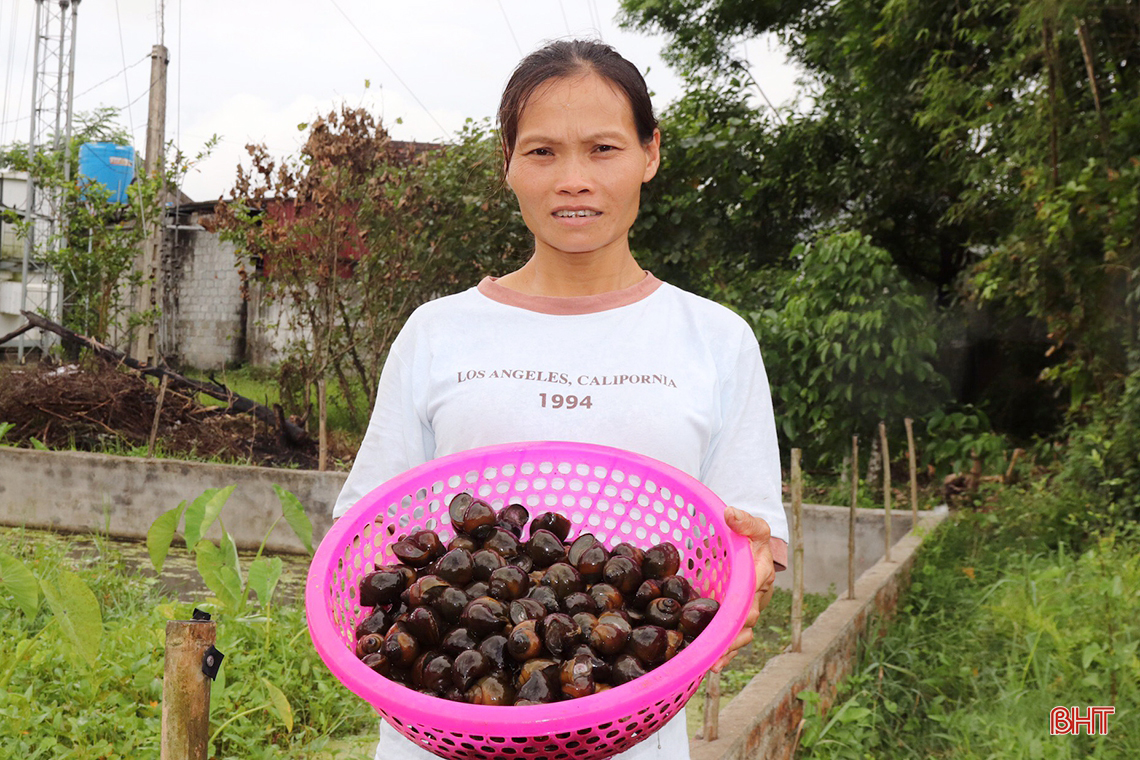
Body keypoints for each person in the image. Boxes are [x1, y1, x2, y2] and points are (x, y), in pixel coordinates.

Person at [333, 38, 789, 760]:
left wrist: (753, 568)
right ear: (507, 163)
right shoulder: (437, 331)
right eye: (542, 152)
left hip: (631, 733)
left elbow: (746, 534)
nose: (573, 179)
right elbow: (367, 540)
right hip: (438, 736)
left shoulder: (716, 339)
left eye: (603, 148)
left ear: (650, 154)